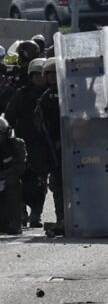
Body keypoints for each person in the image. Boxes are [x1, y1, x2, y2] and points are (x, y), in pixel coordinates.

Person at [4, 58, 48, 227]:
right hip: (24, 142)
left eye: (41, 75)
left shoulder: (50, 93)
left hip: (43, 143)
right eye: (36, 75)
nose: (39, 78)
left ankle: (36, 214)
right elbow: (9, 116)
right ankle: (21, 212)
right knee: (19, 178)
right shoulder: (22, 94)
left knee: (40, 181)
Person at [34, 59, 63, 232]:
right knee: (57, 184)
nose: (52, 76)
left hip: (72, 144)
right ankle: (62, 218)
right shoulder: (46, 96)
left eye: (55, 73)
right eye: (49, 73)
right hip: (54, 147)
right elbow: (39, 121)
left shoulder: (71, 91)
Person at [0, 117, 27, 235]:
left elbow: (20, 166)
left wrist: (3, 176)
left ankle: (16, 223)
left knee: (13, 182)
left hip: (14, 182)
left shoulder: (17, 144)